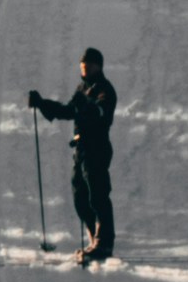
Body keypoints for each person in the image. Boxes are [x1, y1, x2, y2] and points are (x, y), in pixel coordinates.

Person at [27, 45, 119, 265]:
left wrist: (86, 106)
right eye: (83, 65)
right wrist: (43, 104)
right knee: (80, 196)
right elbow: (70, 111)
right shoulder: (83, 88)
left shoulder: (105, 89)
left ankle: (104, 242)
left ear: (98, 66)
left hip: (97, 147)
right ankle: (93, 236)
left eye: (89, 65)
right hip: (81, 150)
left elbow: (100, 112)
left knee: (98, 194)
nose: (85, 68)